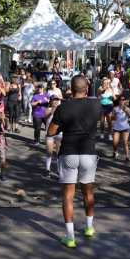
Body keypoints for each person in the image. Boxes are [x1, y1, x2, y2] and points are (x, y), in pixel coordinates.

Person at [47, 76, 101, 248]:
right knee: (88, 192)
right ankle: (89, 228)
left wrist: (65, 125)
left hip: (68, 153)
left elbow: (50, 132)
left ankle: (70, 238)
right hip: (88, 153)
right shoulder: (96, 105)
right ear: (86, 88)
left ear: (70, 88)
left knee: (68, 196)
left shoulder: (63, 108)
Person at [44, 94, 62, 178]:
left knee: (59, 153)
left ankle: (58, 171)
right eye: (54, 100)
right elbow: (46, 117)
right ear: (50, 101)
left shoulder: (61, 110)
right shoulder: (47, 109)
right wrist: (52, 111)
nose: (56, 101)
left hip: (59, 133)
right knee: (49, 152)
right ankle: (47, 170)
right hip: (49, 134)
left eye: (57, 100)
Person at [111, 95, 130, 163]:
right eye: (120, 100)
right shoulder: (115, 108)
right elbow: (111, 118)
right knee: (114, 143)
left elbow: (129, 115)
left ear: (125, 101)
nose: (121, 101)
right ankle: (115, 152)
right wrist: (114, 115)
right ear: (118, 101)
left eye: (123, 100)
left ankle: (127, 157)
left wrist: (125, 111)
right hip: (117, 128)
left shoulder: (127, 108)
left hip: (125, 128)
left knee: (124, 142)